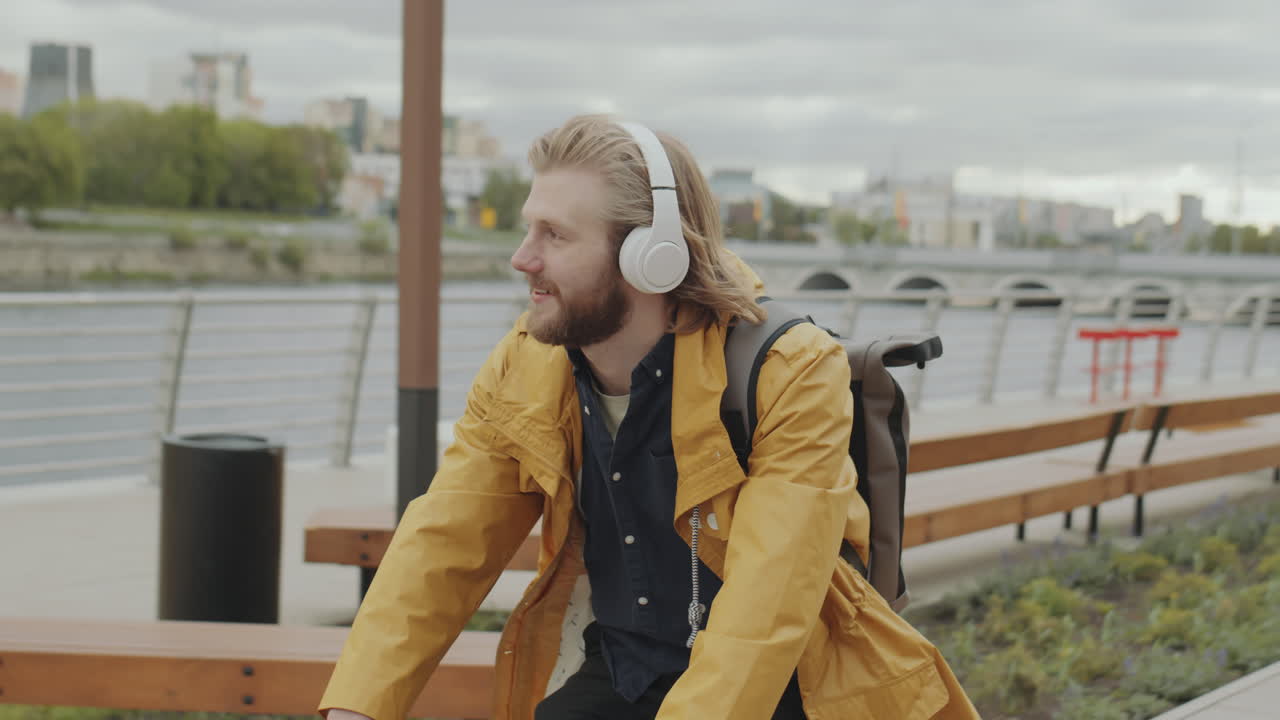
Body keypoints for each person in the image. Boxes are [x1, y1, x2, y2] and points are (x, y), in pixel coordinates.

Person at [319, 115, 978, 720]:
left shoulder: (791, 370)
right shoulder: (524, 367)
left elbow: (764, 616)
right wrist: (356, 706)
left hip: (792, 685)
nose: (523, 258)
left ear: (650, 256)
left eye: (554, 235)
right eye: (529, 229)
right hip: (630, 669)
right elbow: (442, 547)